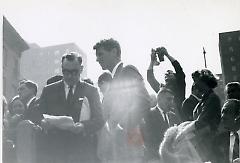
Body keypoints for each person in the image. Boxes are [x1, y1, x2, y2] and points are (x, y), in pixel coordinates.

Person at [39, 52, 104, 163]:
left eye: (74, 72)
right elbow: (38, 113)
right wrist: (42, 122)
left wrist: (83, 126)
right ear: (62, 69)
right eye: (66, 72)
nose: (69, 76)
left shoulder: (91, 91)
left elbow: (99, 119)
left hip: (81, 151)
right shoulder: (49, 90)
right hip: (55, 151)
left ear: (81, 69)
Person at [93, 38, 151, 163]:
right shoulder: (113, 80)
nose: (97, 59)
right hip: (118, 147)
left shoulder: (127, 71)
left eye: (100, 54)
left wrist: (123, 127)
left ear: (114, 52)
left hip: (131, 141)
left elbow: (144, 100)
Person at [175, 69, 221, 163]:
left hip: (211, 144)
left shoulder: (212, 98)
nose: (195, 84)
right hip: (202, 143)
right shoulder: (204, 99)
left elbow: (201, 122)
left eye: (196, 81)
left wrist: (183, 133)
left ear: (204, 81)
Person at [141, 88, 180, 162]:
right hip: (155, 158)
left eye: (172, 100)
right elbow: (147, 140)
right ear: (159, 99)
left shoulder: (174, 116)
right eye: (168, 99)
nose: (171, 102)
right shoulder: (148, 114)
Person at [147, 47, 185, 120]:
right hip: (167, 121)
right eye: (166, 73)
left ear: (176, 78)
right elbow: (150, 79)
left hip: (180, 121)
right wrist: (152, 61)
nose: (167, 73)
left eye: (170, 72)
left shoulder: (180, 86)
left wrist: (167, 55)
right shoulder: (162, 90)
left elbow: (179, 69)